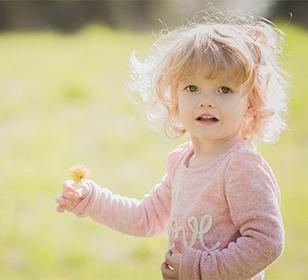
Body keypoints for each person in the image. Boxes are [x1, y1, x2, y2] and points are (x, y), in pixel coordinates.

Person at [55, 8, 288, 280]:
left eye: (224, 89)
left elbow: (267, 242)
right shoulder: (182, 161)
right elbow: (146, 217)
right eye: (192, 88)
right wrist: (91, 199)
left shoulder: (241, 166)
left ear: (250, 101)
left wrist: (198, 268)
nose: (206, 100)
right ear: (174, 96)